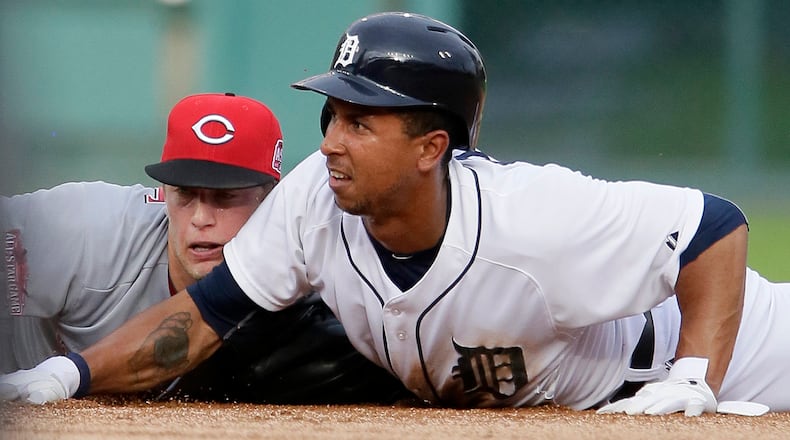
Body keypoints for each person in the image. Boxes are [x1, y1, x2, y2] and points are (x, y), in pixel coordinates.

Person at [2, 12, 788, 416]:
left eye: (361, 122)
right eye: (334, 114)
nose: (332, 142)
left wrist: (695, 376)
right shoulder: (315, 197)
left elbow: (712, 225)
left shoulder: (534, 217)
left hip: (729, 348)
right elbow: (203, 317)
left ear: (430, 146)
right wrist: (64, 374)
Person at [0, 92, 408, 404]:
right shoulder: (85, 230)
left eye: (224, 197)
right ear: (163, 191)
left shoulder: (310, 283)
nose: (200, 217)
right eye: (185, 193)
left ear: (275, 201)